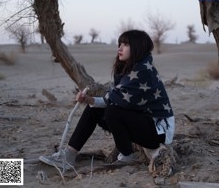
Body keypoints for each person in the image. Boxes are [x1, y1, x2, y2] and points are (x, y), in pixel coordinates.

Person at [39, 29, 175, 170]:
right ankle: (69, 155)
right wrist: (88, 100)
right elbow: (110, 99)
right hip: (142, 123)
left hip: (158, 133)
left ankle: (127, 155)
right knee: (95, 110)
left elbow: (112, 103)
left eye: (126, 44)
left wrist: (95, 101)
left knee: (113, 110)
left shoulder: (144, 72)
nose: (120, 48)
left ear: (138, 47)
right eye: (119, 44)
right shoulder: (129, 70)